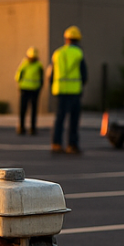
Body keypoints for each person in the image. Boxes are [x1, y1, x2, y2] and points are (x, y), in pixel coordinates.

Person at [47, 26, 87, 154]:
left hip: (60, 91)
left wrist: (54, 86)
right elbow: (84, 74)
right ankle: (72, 145)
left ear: (66, 39)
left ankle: (56, 143)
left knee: (60, 118)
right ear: (77, 40)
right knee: (74, 120)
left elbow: (51, 74)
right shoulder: (78, 53)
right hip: (74, 91)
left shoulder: (57, 53)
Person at [15, 47, 43, 135]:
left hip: (32, 89)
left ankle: (31, 128)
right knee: (24, 109)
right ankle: (24, 127)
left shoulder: (37, 65)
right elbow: (18, 76)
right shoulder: (26, 64)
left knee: (31, 110)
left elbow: (18, 77)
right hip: (26, 89)